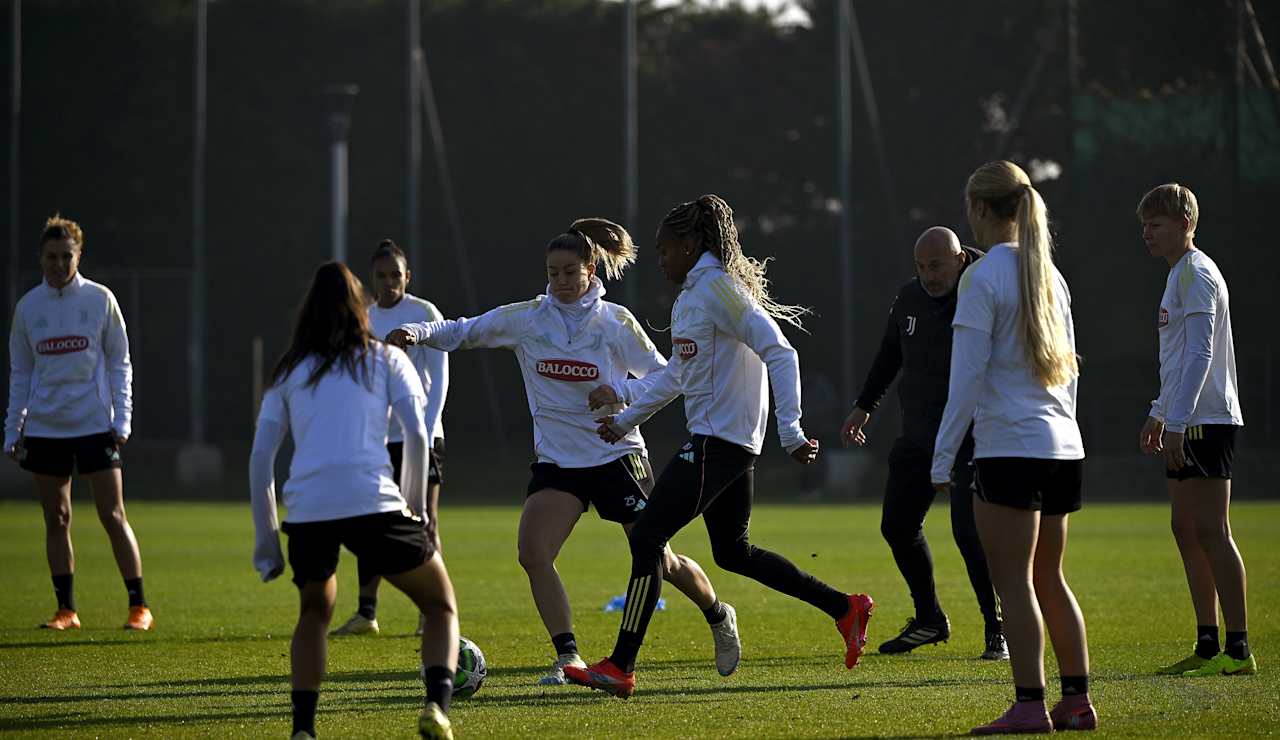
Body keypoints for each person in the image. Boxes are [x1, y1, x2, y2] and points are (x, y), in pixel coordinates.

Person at [388, 218, 739, 686]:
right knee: (533, 553)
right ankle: (568, 656)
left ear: (591, 270)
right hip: (559, 463)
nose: (561, 281)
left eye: (570, 271)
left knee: (662, 560)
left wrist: (619, 391)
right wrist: (416, 331)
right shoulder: (528, 319)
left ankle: (717, 614)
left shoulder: (615, 324)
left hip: (617, 454)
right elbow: (463, 330)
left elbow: (666, 376)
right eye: (553, 272)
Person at [565, 194, 874, 699]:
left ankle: (621, 666)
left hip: (719, 446)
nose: (660, 258)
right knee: (733, 552)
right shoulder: (695, 295)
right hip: (721, 445)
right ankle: (845, 608)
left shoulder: (717, 290)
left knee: (646, 538)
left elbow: (781, 349)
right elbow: (677, 377)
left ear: (690, 245)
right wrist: (624, 418)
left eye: (666, 249)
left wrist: (791, 430)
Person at [249, 262, 458, 739]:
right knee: (441, 605)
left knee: (313, 614)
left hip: (308, 512)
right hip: (374, 504)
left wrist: (266, 542)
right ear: (360, 306)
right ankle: (436, 706)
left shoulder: (289, 371)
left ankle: (303, 730)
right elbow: (417, 433)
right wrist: (416, 508)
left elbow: (261, 458)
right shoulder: (386, 360)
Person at [932, 162, 1094, 734]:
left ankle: (1030, 704)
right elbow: (1070, 374)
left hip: (1009, 448)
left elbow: (966, 378)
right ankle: (1076, 701)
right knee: (1050, 576)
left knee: (1015, 582)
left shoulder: (981, 277)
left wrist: (941, 455)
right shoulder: (1050, 273)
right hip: (1061, 446)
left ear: (980, 209)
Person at [841, 226, 1006, 660]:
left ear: (959, 259)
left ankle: (998, 630)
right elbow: (890, 351)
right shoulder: (909, 297)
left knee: (969, 534)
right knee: (896, 525)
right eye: (920, 267)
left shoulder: (983, 288)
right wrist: (864, 405)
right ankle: (930, 618)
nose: (928, 276)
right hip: (917, 434)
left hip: (971, 435)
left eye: (936, 266)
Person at [4, 213, 152, 632]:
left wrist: (122, 419)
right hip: (46, 428)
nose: (58, 265)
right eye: (51, 257)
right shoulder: (29, 308)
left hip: (94, 426)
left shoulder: (101, 300)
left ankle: (139, 606)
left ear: (79, 255)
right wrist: (13, 430)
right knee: (57, 518)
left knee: (112, 514)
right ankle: (66, 609)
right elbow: (21, 373)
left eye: (66, 256)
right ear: (40, 259)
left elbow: (120, 363)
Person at [1137, 183, 1254, 678]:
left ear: (1186, 223)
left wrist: (1179, 421)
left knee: (1211, 529)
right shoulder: (1175, 276)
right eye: (1144, 225)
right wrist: (1159, 411)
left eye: (1156, 223)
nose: (1147, 233)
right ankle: (1207, 644)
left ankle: (1238, 649)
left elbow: (1202, 353)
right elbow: (1176, 356)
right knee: (1183, 527)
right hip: (1185, 419)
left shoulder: (1199, 273)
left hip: (1207, 421)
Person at [331, 239, 449, 638]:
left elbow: (440, 378)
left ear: (407, 276)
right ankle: (367, 612)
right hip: (377, 439)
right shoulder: (364, 317)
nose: (388, 282)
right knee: (370, 521)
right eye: (381, 276)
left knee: (424, 519)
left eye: (395, 275)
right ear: (372, 278)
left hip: (420, 436)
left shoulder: (424, 314)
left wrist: (429, 430)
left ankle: (431, 608)